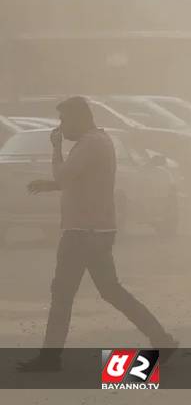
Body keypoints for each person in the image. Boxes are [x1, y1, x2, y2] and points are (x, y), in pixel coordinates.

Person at [18, 97, 177, 373]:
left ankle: (50, 358)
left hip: (82, 232)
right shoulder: (99, 142)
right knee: (111, 291)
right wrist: (51, 185)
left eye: (64, 120)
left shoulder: (91, 143)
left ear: (80, 118)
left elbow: (65, 175)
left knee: (63, 294)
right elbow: (79, 179)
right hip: (96, 230)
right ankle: (161, 339)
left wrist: (55, 149)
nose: (61, 127)